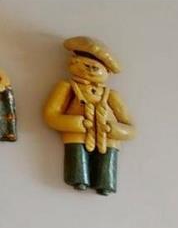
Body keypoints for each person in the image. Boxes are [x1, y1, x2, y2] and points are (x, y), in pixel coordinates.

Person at [42, 37, 135, 194]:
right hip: (76, 135)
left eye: (96, 68)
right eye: (87, 66)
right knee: (77, 158)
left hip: (107, 138)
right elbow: (51, 115)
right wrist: (78, 123)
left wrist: (112, 129)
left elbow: (129, 127)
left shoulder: (111, 95)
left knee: (107, 161)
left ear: (107, 72)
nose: (91, 71)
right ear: (74, 63)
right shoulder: (66, 87)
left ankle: (105, 183)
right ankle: (79, 178)